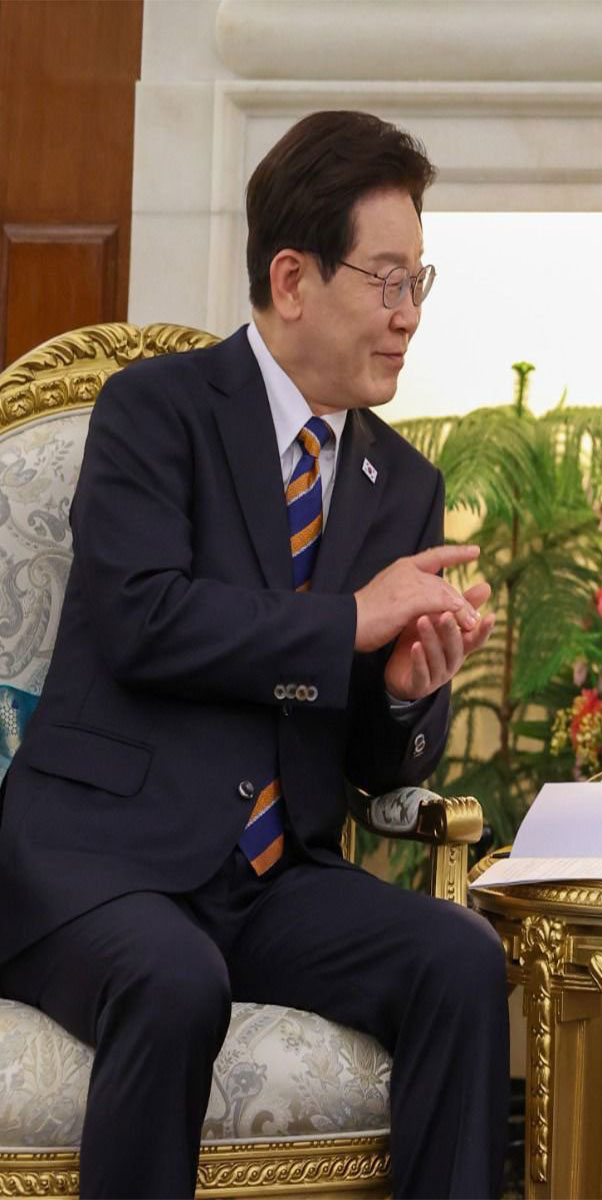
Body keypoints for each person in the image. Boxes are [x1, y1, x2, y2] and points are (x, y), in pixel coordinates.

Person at [0, 110, 508, 1197]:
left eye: (420, 281)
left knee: (460, 959)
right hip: (99, 860)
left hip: (273, 881)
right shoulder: (152, 413)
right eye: (385, 279)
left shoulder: (401, 482)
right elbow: (141, 619)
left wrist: (408, 696)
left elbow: (375, 760)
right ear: (291, 278)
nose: (407, 314)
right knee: (175, 982)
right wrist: (349, 625)